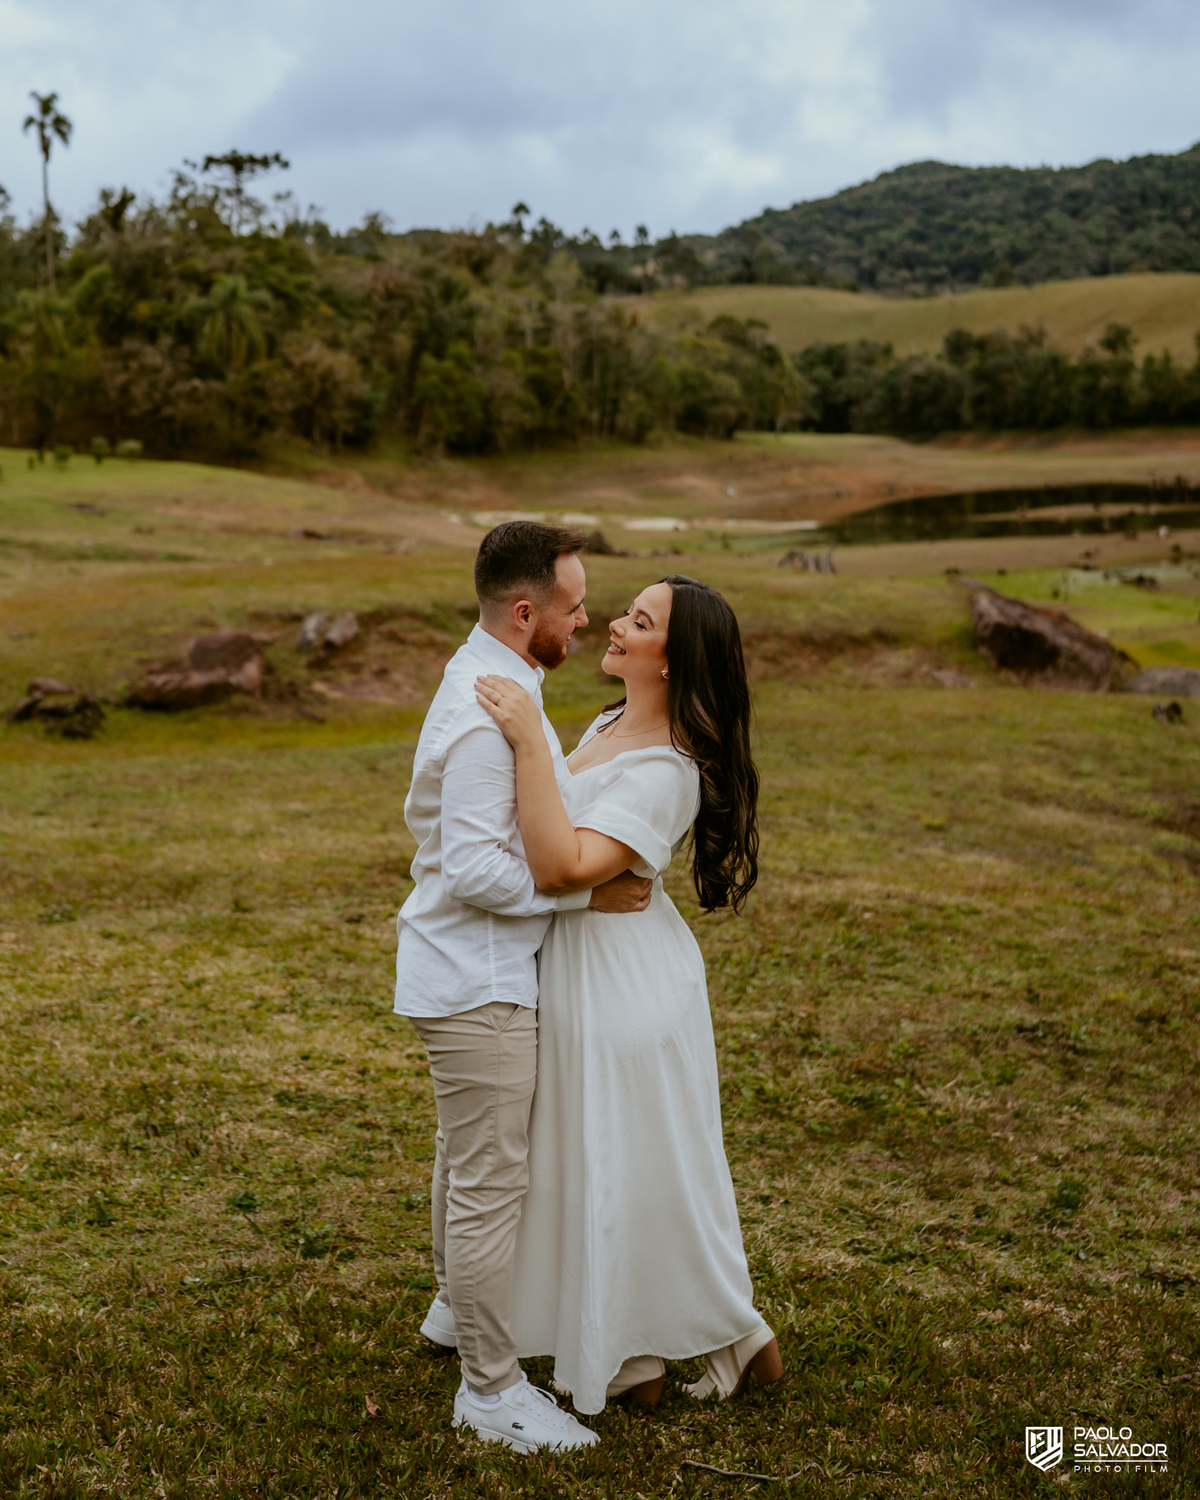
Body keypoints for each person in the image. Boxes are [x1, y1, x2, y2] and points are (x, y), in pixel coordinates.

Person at [474, 574, 783, 1417]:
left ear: (672, 660)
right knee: (611, 1157)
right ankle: (707, 1340)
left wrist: (530, 746)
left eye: (639, 622)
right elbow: (562, 851)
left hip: (621, 984)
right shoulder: (610, 721)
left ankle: (634, 1360)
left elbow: (564, 864)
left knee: (617, 1160)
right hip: (585, 959)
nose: (614, 623)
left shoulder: (669, 769)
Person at [394, 521, 652, 1454]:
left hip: (470, 972)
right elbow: (470, 867)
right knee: (489, 1181)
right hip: (477, 979)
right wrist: (581, 902)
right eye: (575, 607)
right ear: (525, 610)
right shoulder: (480, 708)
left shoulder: (507, 686)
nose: (587, 621)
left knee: (467, 1163)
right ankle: (491, 1390)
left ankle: (456, 1317)